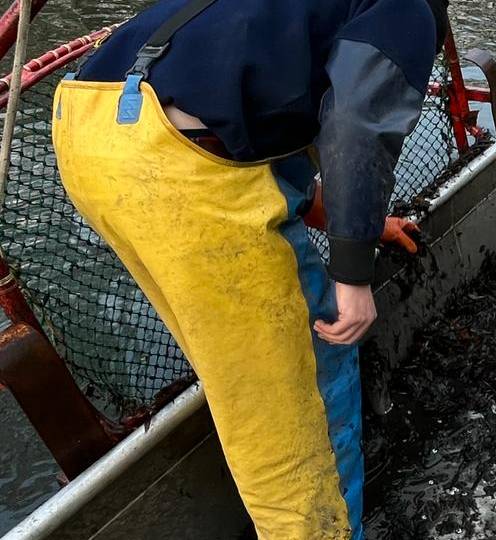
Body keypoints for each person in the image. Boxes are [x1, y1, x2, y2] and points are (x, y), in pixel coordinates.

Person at [50, 0, 448, 537]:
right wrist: (352, 278)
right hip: (178, 169)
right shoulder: (407, 8)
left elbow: (258, 139)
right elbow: (357, 123)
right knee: (299, 409)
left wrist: (365, 225)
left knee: (244, 380)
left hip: (89, 131)